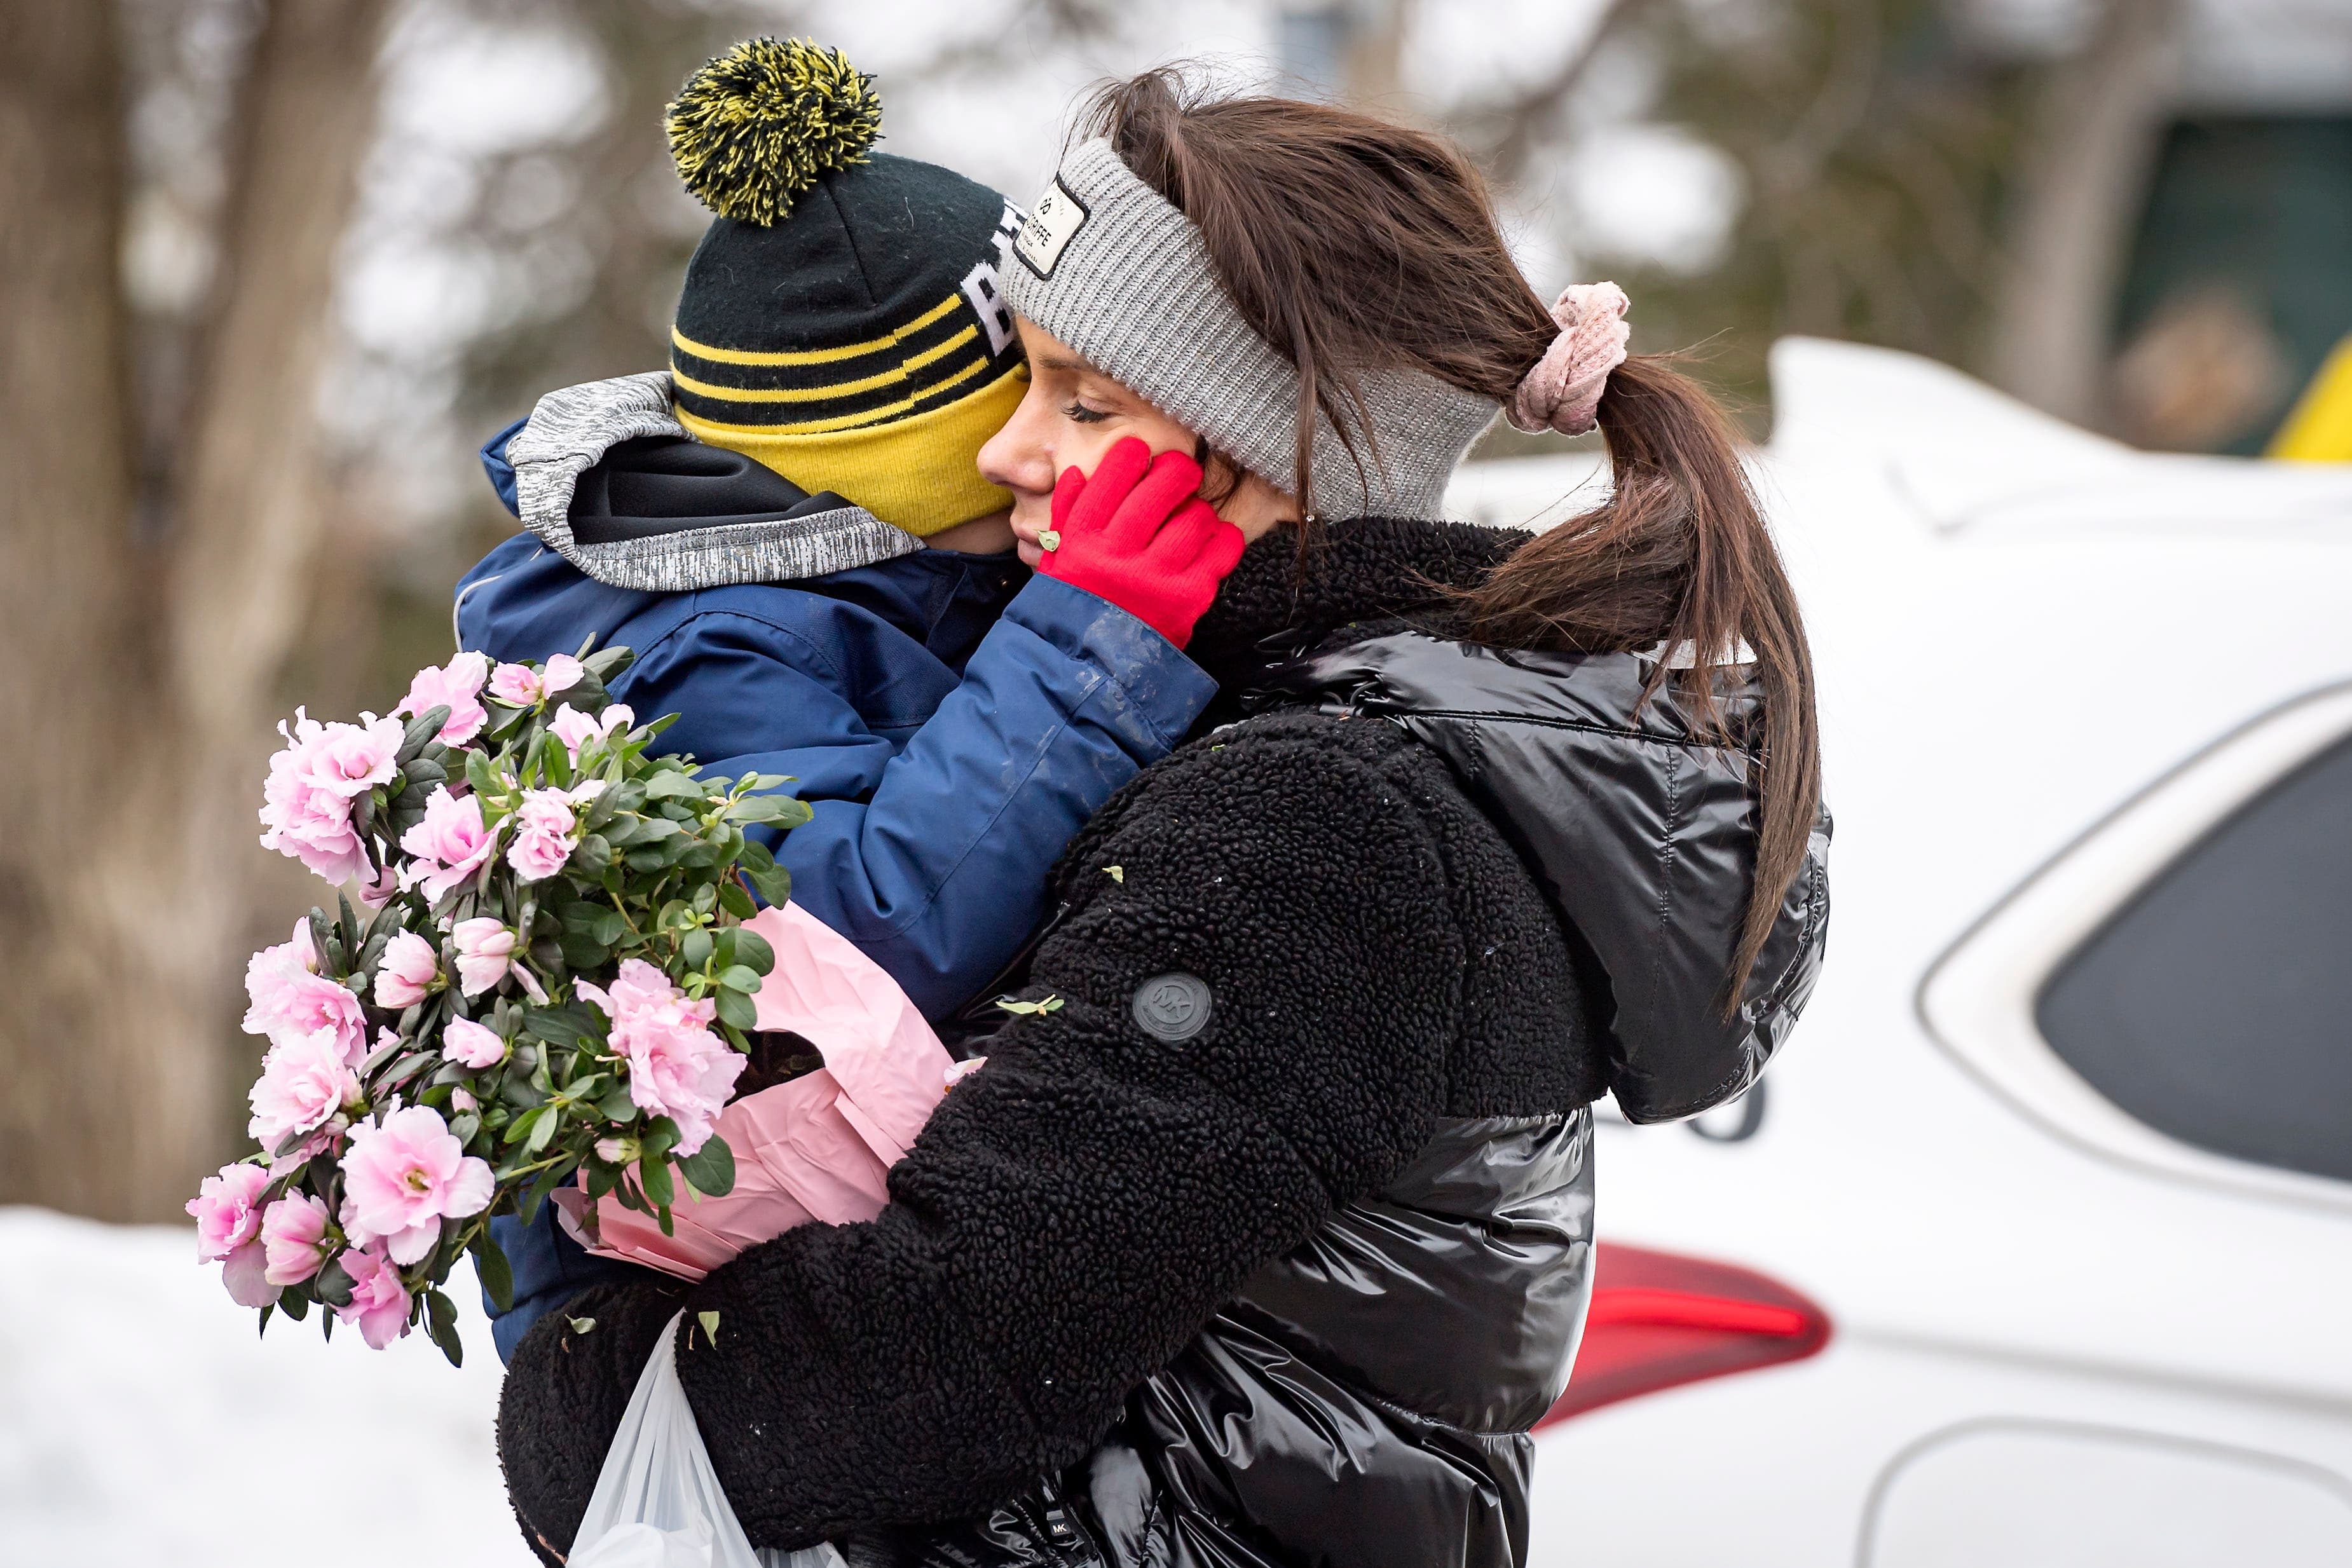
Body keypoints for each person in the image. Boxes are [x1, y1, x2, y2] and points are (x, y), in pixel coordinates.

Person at [493, 67, 1831, 1568]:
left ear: (1271, 445)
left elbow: (954, 1340)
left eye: (1086, 400)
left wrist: (581, 1383)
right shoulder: (1342, 739)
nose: (1008, 454)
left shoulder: (1317, 814)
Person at [455, 41, 1241, 1366]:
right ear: (901, 454)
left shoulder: (894, 568)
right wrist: (1089, 648)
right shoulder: (700, 649)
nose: (1040, 447)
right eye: (1026, 395)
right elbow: (846, 939)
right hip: (693, 1351)